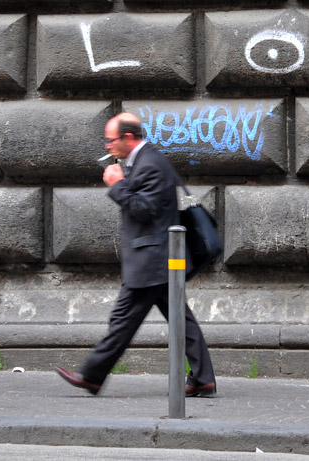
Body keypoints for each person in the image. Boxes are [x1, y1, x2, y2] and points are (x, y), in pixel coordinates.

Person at [55, 112, 217, 397]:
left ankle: (91, 375)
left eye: (111, 140)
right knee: (181, 320)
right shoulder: (142, 161)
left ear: (128, 138)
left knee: (123, 321)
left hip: (152, 261)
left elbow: (144, 210)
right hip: (157, 259)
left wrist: (117, 185)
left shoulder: (151, 164)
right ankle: (203, 379)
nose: (107, 146)